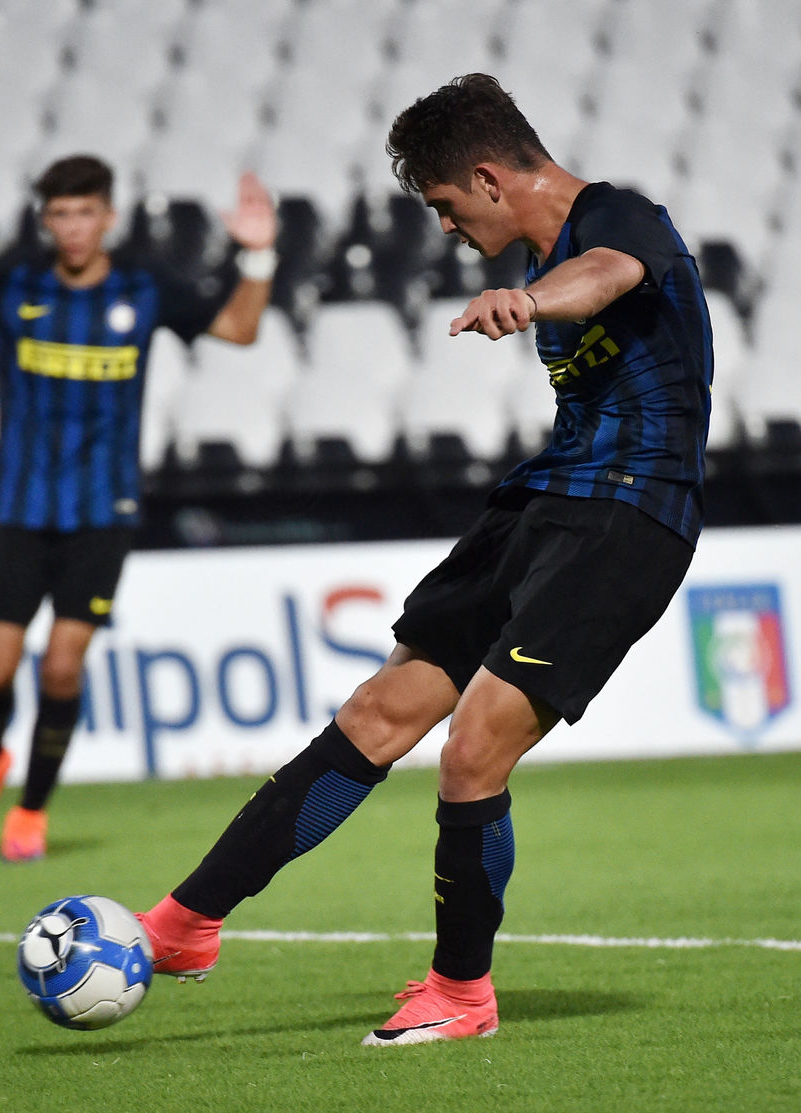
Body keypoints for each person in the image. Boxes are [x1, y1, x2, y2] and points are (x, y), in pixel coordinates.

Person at [135, 72, 714, 1046]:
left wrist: (530, 300)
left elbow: (612, 272)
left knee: (474, 745)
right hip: (543, 501)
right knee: (377, 711)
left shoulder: (615, 215)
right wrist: (533, 291)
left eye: (446, 203)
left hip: (631, 514)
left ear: (489, 178)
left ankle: (460, 993)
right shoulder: (542, 251)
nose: (444, 226)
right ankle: (183, 923)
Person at [0, 124, 278, 862]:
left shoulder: (144, 286)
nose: (73, 227)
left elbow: (239, 327)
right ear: (46, 220)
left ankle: (32, 808)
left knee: (62, 666)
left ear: (108, 216)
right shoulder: (16, 282)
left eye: (85, 213)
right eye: (60, 214)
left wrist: (259, 256)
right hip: (18, 506)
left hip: (104, 511)